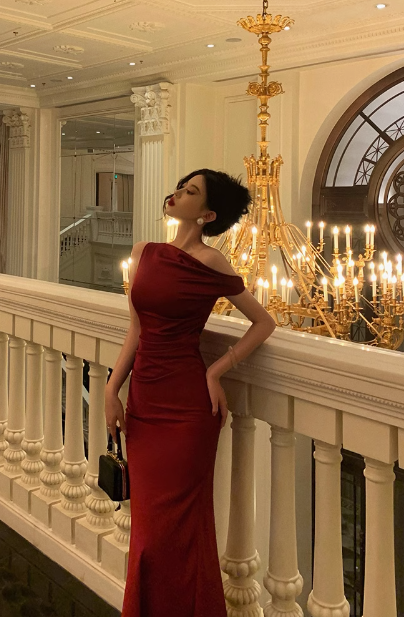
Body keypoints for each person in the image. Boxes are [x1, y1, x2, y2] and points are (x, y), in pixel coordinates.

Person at [105, 168, 276, 617]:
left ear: (207, 214)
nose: (177, 193)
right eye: (181, 186)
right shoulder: (143, 252)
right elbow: (136, 330)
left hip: (187, 411)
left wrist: (217, 370)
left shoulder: (212, 262)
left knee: (175, 533)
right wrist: (111, 389)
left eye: (191, 191)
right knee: (147, 534)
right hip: (143, 405)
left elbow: (264, 323)